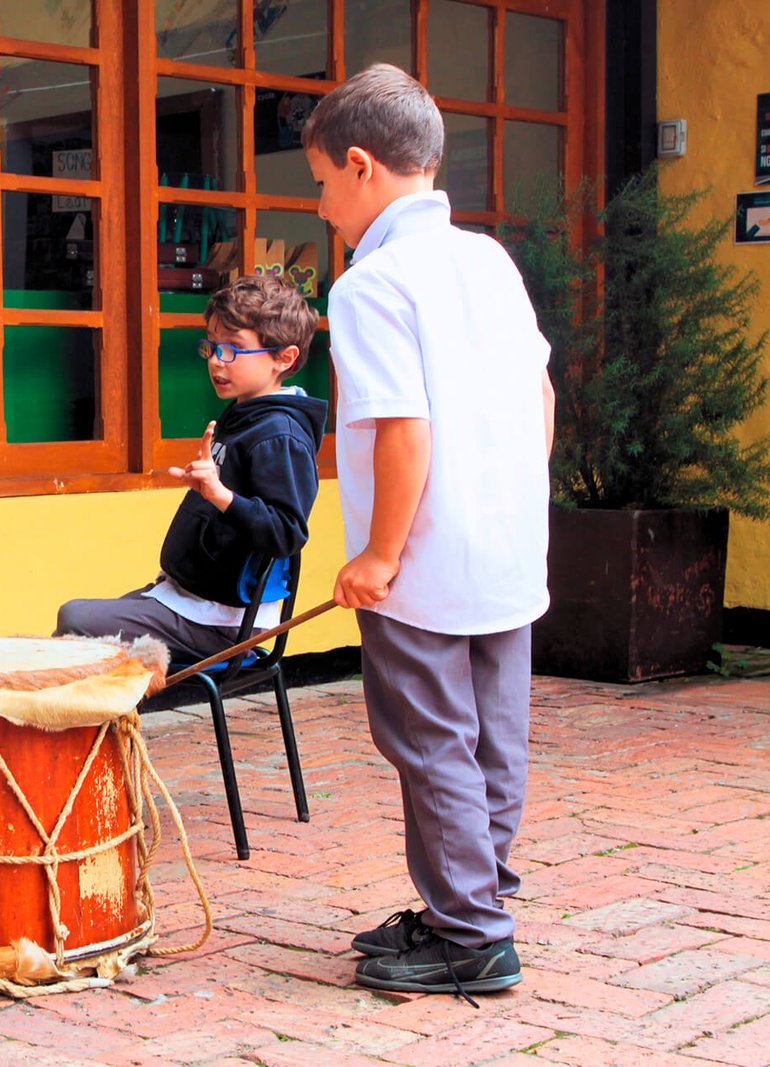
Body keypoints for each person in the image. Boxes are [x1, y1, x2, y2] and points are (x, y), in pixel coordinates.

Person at [302, 63, 554, 998]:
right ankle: (479, 896)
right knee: (494, 738)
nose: (324, 206)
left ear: (362, 167)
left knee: (432, 739)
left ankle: (470, 935)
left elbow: (402, 427)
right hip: (507, 548)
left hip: (423, 562)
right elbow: (540, 393)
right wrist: (516, 498)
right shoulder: (488, 258)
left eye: (324, 183)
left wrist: (376, 554)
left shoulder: (371, 286)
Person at [55, 275, 325, 662]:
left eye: (234, 349)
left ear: (285, 358)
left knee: (75, 619)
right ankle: (101, 724)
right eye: (213, 347)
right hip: (187, 598)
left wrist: (221, 496)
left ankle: (89, 724)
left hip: (221, 621)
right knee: (77, 634)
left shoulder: (279, 435)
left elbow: (287, 533)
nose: (217, 360)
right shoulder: (247, 412)